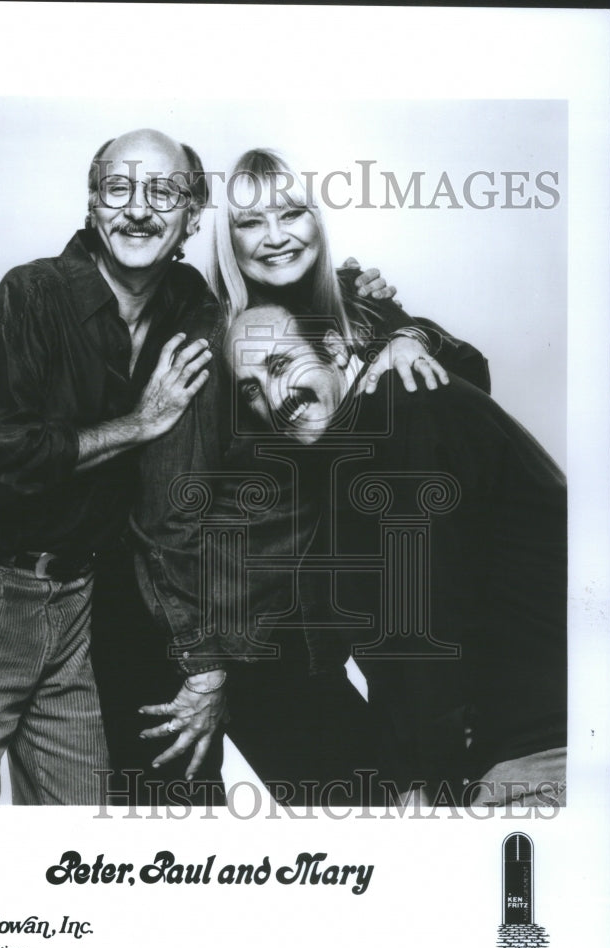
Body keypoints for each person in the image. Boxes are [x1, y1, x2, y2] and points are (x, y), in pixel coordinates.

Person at [131, 147, 492, 804]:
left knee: (395, 808)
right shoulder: (210, 340)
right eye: (249, 223)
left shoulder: (352, 308)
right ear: (226, 240)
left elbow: (465, 389)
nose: (275, 237)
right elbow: (167, 515)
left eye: (292, 213)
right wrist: (207, 668)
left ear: (316, 221)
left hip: (322, 626)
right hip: (232, 635)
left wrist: (412, 337)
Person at [0, 128, 220, 805]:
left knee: (79, 833)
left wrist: (396, 329)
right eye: (118, 189)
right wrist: (141, 423)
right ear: (93, 206)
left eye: (162, 192)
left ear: (194, 212)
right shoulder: (31, 296)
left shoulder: (189, 303)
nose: (138, 209)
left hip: (77, 605)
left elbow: (294, 319)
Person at [223, 303, 567, 807]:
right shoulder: (354, 452)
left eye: (280, 365)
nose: (275, 398)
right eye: (251, 388)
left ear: (336, 349)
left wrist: (425, 785)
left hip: (546, 757)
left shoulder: (403, 411)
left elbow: (424, 628)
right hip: (507, 755)